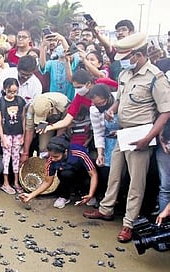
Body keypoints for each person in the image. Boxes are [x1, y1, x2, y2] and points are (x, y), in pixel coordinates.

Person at [83, 33, 170, 243]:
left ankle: (128, 224)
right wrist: (112, 109)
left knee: (135, 183)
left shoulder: (156, 78)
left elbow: (166, 112)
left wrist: (148, 138)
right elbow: (120, 98)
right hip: (122, 132)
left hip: (141, 134)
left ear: (138, 55)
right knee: (114, 174)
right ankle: (106, 209)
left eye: (125, 56)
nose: (121, 60)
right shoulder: (125, 73)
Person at [19, 135, 98, 209]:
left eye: (56, 156)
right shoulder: (51, 160)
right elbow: (47, 181)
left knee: (88, 179)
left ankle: (88, 193)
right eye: (51, 156)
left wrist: (90, 194)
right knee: (65, 174)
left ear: (65, 152)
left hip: (85, 173)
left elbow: (93, 174)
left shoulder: (80, 153)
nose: (53, 159)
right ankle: (64, 196)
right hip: (69, 175)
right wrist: (30, 195)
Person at [41, 70, 94, 149]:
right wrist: (49, 127)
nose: (77, 90)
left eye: (79, 87)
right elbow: (66, 120)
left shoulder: (101, 87)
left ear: (88, 84)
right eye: (75, 87)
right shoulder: (78, 97)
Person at [21, 92, 70, 165]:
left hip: (62, 121)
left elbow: (63, 127)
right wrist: (25, 153)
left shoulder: (64, 104)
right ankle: (45, 167)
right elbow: (29, 130)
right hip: (43, 123)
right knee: (43, 147)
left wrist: (55, 145)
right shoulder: (32, 107)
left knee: (58, 147)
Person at [0, 78, 26, 195]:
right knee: (6, 157)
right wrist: (2, 138)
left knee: (16, 157)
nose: (12, 94)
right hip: (6, 133)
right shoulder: (1, 102)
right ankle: (5, 182)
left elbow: (23, 118)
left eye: (14, 92)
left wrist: (24, 135)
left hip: (18, 133)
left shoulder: (20, 101)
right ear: (5, 89)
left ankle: (16, 181)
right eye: (10, 92)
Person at [157, 120, 170, 214]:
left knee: (165, 189)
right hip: (165, 145)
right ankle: (163, 224)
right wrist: (162, 139)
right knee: (165, 188)